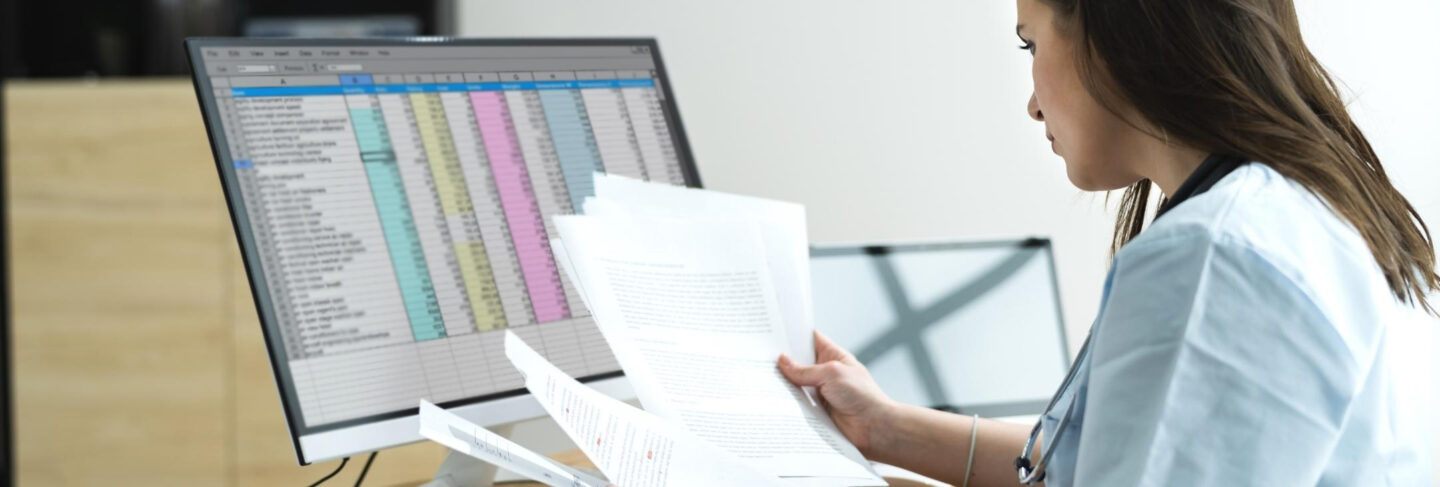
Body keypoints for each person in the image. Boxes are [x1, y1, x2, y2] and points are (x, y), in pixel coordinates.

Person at [778, 0, 1438, 485]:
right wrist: (886, 429)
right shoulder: (1285, 214)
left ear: (1108, 30)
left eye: (1029, 45)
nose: (1033, 105)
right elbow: (1087, 466)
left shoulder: (1218, 258)